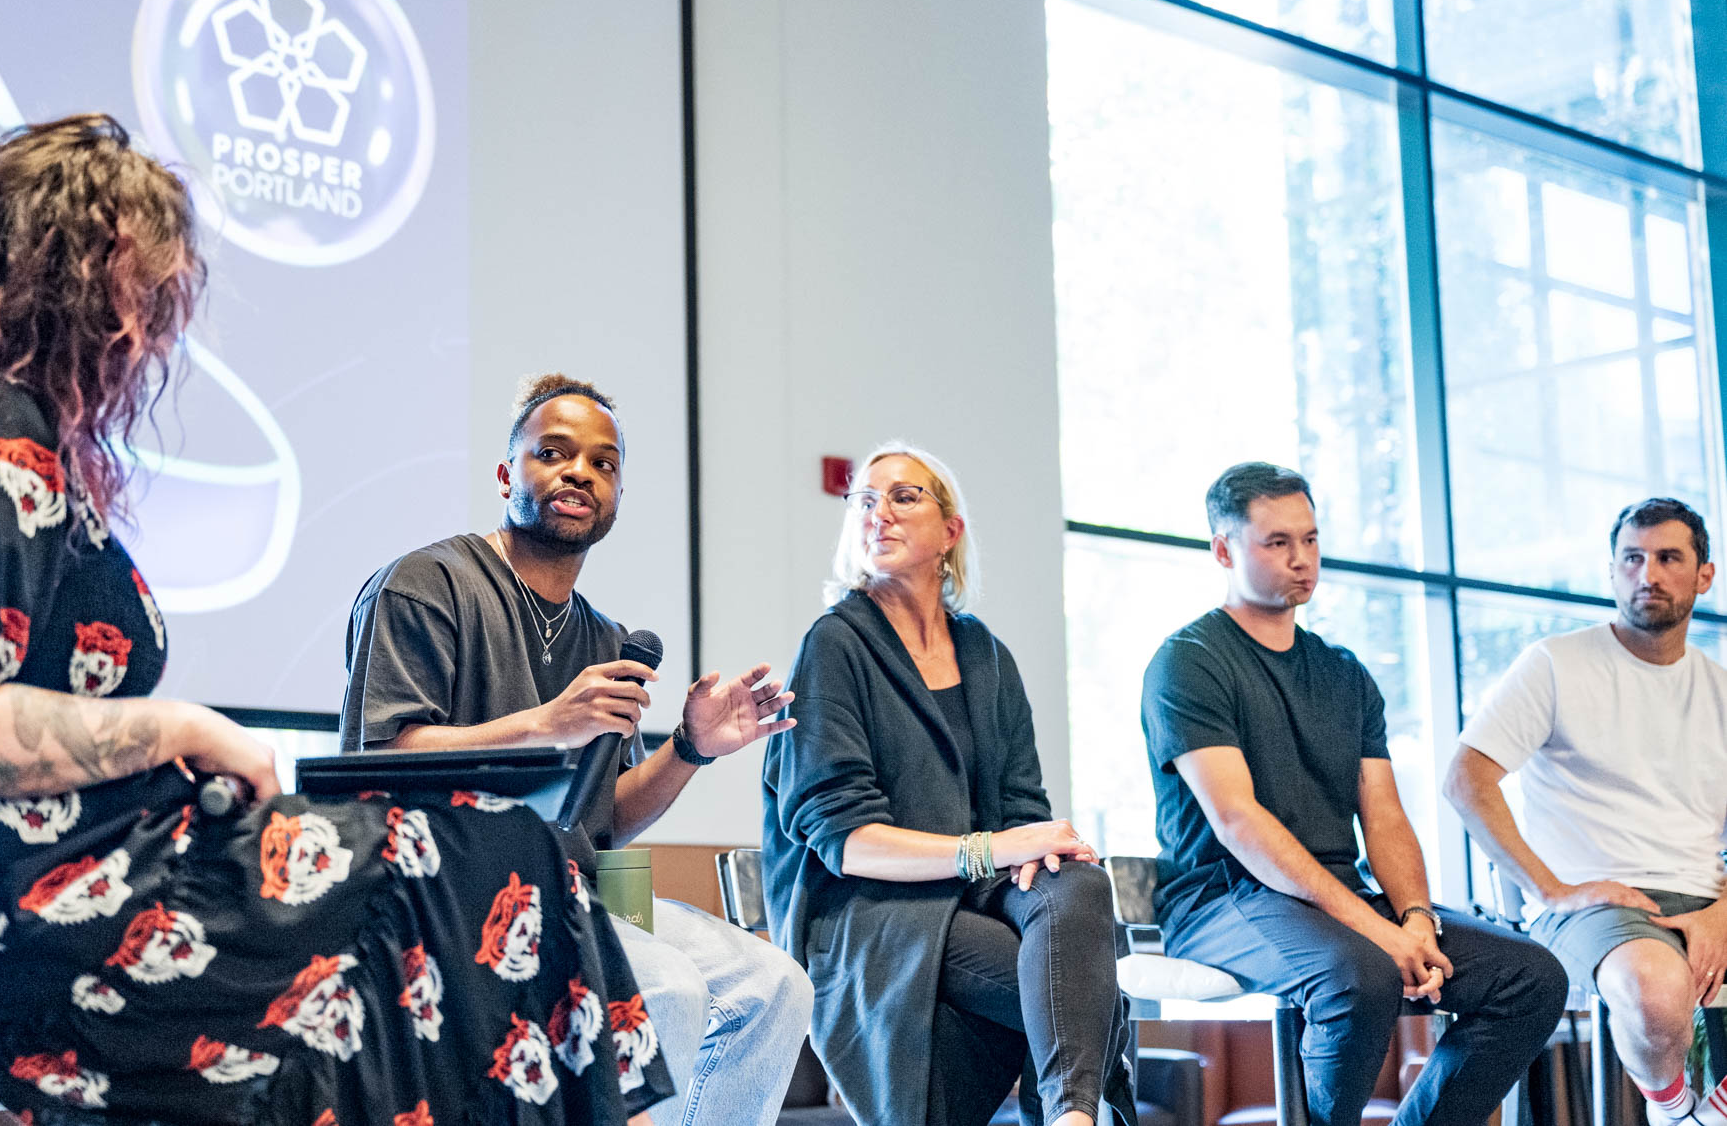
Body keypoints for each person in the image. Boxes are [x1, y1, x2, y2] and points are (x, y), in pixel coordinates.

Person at [0, 115, 669, 1125]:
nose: (160, 318)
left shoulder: (19, 438)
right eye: (150, 283)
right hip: (27, 909)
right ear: (84, 264)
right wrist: (185, 727)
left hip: (93, 872)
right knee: (481, 864)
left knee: (459, 905)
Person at [339, 372, 813, 1126]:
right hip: (449, 894)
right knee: (669, 986)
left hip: (576, 891)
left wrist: (690, 747)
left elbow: (602, 824)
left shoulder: (602, 636)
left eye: (603, 462)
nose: (579, 473)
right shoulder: (422, 585)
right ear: (505, 475)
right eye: (553, 452)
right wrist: (546, 723)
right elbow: (378, 765)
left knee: (775, 986)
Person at [1141, 461, 1567, 1126]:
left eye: (1310, 539)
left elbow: (1386, 816)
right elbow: (1238, 819)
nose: (1301, 558)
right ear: (1223, 549)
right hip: (1223, 901)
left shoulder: (1345, 674)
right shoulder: (1190, 660)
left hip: (1336, 901)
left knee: (1532, 977)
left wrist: (1416, 916)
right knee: (1360, 975)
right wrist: (1377, 930)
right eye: (1277, 542)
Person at [763, 442, 1133, 1126]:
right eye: (864, 500)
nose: (879, 513)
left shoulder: (988, 655)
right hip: (870, 912)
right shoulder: (834, 645)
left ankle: (1070, 1118)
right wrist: (986, 849)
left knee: (1082, 884)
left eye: (904, 496)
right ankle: (1078, 1113)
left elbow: (1026, 813)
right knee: (1076, 985)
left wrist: (1030, 847)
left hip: (980, 897)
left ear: (951, 531)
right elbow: (846, 842)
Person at [1446, 497, 1727, 1126]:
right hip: (1597, 908)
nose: (1646, 574)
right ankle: (1679, 1111)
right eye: (1631, 558)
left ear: (1703, 576)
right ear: (1612, 572)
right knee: (1655, 987)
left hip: (1707, 899)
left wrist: (1723, 914)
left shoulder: (1721, 690)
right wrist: (1552, 888)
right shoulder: (1556, 663)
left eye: (1667, 558)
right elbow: (1467, 779)